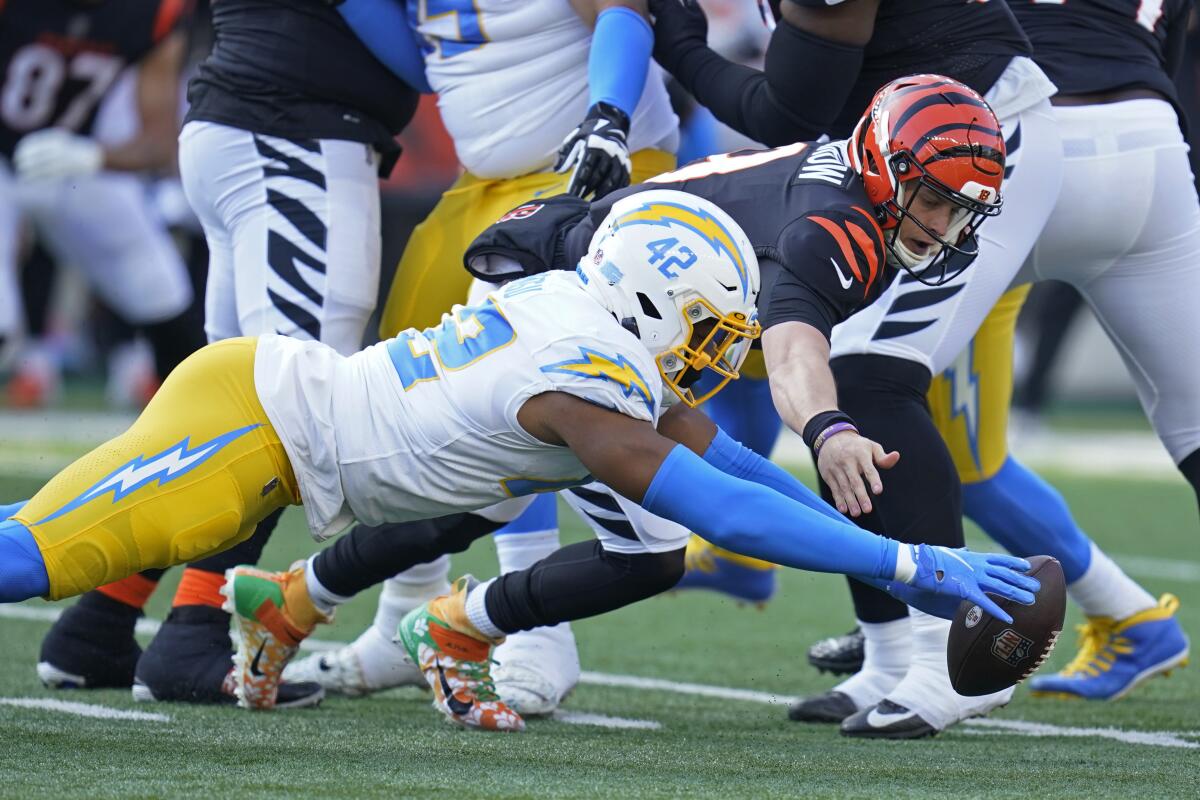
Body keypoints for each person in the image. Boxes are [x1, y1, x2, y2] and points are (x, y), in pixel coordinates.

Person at [0, 188, 1040, 734]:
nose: (723, 350)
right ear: (662, 302)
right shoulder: (580, 373)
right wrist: (913, 568)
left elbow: (740, 470)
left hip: (268, 427)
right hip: (246, 430)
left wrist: (890, 548)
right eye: (714, 325)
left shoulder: (587, 328)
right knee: (25, 559)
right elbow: (721, 513)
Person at [241, 73, 1014, 728]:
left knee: (496, 495)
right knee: (637, 548)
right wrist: (828, 429)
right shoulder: (837, 226)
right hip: (582, 320)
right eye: (935, 200)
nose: (945, 225)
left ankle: (308, 595)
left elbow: (735, 458)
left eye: (961, 209)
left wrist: (896, 559)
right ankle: (455, 626)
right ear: (885, 167)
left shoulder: (855, 194)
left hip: (611, 315)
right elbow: (792, 353)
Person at [282, 0, 682, 714]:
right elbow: (436, 62)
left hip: (586, 177)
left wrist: (608, 113)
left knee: (528, 385)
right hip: (486, 187)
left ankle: (534, 628)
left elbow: (622, 9)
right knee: (413, 389)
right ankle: (407, 607)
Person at [35, 0, 426, 708]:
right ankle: (191, 632)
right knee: (290, 408)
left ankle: (101, 620)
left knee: (221, 413)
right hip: (294, 134)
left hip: (247, 120)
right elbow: (420, 58)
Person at [0, 0, 203, 406]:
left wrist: (93, 157)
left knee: (163, 292)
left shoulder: (154, 11)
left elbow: (160, 144)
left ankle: (191, 429)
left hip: (78, 159)